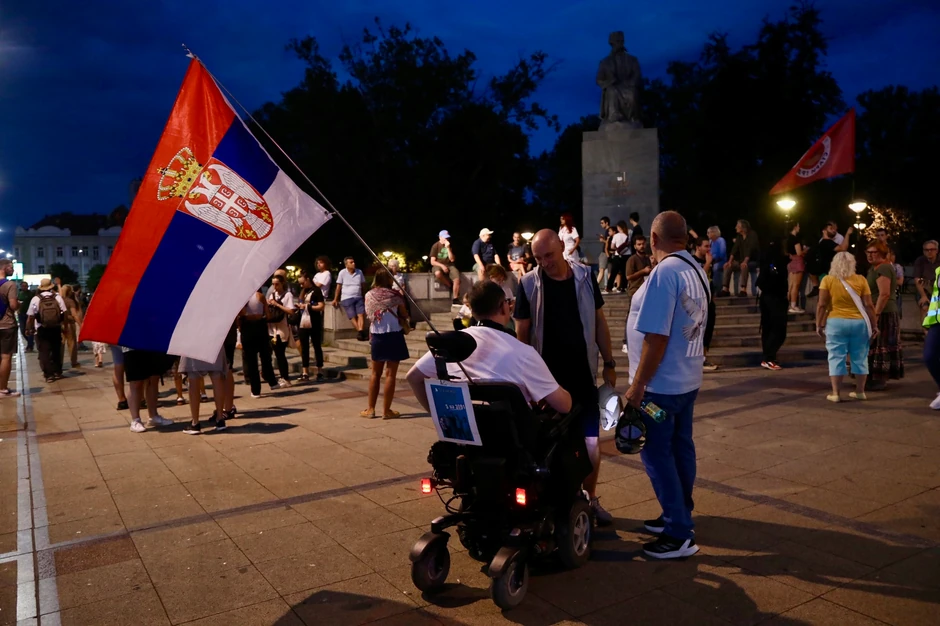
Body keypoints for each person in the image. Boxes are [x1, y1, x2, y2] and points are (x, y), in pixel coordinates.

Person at [514, 229, 616, 525]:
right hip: (546, 382)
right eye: (538, 257)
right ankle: (551, 505)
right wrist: (524, 379)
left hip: (583, 376)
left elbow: (599, 321)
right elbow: (523, 332)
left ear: (562, 247)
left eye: (549, 255)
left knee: (591, 444)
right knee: (548, 444)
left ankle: (590, 499)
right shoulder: (529, 283)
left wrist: (609, 361)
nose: (544, 262)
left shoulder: (584, 277)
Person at [623, 211, 708, 559]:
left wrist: (637, 385)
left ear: (654, 240)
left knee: (656, 453)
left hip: (659, 388)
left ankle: (678, 531)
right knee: (680, 447)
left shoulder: (665, 272)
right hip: (686, 380)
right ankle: (678, 510)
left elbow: (656, 337)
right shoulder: (696, 270)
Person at [407, 280, 572, 414]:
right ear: (502, 307)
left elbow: (413, 377)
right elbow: (564, 406)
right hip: (516, 444)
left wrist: (440, 416)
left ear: (473, 310)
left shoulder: (451, 346)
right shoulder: (523, 353)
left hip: (467, 442)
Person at [816, 251, 876, 402]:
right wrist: (874, 325)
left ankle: (835, 393)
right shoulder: (861, 279)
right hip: (858, 323)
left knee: (836, 356)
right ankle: (860, 391)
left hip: (835, 322)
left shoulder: (827, 280)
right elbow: (869, 305)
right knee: (860, 356)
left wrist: (818, 324)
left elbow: (822, 304)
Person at [361, 269, 410, 419]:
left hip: (377, 334)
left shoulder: (369, 295)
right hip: (394, 334)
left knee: (375, 373)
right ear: (389, 279)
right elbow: (404, 313)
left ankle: (370, 409)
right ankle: (386, 411)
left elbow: (369, 314)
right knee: (391, 374)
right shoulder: (395, 295)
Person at [865, 242, 904, 390]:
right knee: (875, 344)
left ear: (881, 253)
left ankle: (878, 378)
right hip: (877, 311)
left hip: (884, 312)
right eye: (868, 252)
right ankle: (873, 377)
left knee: (881, 344)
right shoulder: (874, 268)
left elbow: (884, 293)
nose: (870, 255)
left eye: (874, 252)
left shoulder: (884, 267)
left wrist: (876, 314)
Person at [180, 346, 231, 435]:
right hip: (213, 340)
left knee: (193, 377)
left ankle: (195, 422)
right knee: (217, 376)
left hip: (193, 341)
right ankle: (220, 419)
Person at [756, 241, 789, 371]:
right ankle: (768, 357)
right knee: (778, 329)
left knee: (768, 328)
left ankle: (769, 356)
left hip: (767, 298)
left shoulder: (767, 261)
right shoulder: (778, 262)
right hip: (775, 298)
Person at [240, 288, 280, 397]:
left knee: (251, 361)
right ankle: (272, 381)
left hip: (248, 327)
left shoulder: (243, 298)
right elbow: (268, 315)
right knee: (265, 356)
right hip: (260, 326)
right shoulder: (260, 296)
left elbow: (242, 313)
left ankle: (255, 390)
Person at [25, 279, 67, 383]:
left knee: (44, 352)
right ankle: (57, 371)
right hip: (56, 327)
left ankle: (49, 375)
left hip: (42, 329)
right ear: (51, 287)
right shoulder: (57, 297)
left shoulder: (35, 299)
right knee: (56, 349)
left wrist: (28, 328)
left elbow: (30, 316)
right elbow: (64, 313)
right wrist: (64, 326)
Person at [691, 238, 718, 371]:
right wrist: (707, 263)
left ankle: (703, 358)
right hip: (697, 303)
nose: (708, 249)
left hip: (709, 301)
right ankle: (696, 360)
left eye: (709, 246)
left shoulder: (709, 261)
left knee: (708, 332)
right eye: (706, 246)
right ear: (698, 247)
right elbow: (699, 277)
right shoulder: (692, 261)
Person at [622, 235, 652, 353]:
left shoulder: (647, 258)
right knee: (631, 316)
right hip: (635, 291)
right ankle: (625, 341)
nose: (641, 246)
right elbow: (628, 276)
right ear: (635, 246)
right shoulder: (632, 259)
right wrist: (642, 271)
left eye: (643, 244)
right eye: (639, 244)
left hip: (646, 291)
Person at [296, 271, 326, 382]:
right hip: (303, 322)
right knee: (304, 348)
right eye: (300, 283)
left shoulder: (316, 291)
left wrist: (308, 306)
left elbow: (321, 306)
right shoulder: (303, 291)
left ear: (308, 280)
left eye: (302, 283)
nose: (301, 285)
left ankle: (320, 371)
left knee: (317, 346)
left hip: (314, 321)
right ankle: (305, 372)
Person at [807, 224, 851, 295]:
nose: (833, 230)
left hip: (823, 274)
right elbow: (843, 248)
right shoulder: (827, 243)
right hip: (829, 274)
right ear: (824, 231)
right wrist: (848, 234)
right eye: (831, 228)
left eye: (834, 229)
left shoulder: (821, 243)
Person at [720, 220, 760, 297]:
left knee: (744, 266)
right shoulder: (739, 237)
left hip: (752, 260)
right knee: (728, 266)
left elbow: (750, 249)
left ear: (742, 227)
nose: (735, 228)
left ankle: (743, 289)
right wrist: (729, 262)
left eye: (737, 226)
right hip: (742, 260)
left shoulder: (752, 234)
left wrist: (745, 261)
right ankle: (725, 289)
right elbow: (734, 249)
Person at [268, 274, 295, 386]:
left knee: (280, 354)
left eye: (277, 284)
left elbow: (291, 311)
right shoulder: (272, 295)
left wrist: (277, 305)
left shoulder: (288, 295)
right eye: (273, 284)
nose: (275, 286)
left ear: (282, 283)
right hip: (271, 329)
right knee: (276, 353)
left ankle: (285, 377)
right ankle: (282, 376)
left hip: (282, 328)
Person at [332, 256, 367, 341]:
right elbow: (338, 286)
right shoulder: (342, 273)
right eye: (351, 262)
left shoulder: (359, 272)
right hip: (346, 297)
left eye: (353, 262)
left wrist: (364, 296)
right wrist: (336, 299)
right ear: (346, 265)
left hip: (358, 296)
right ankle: (361, 332)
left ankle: (360, 333)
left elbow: (363, 285)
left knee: (361, 314)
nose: (353, 263)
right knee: (352, 316)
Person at [0, 260, 19, 398]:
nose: (13, 270)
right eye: (11, 268)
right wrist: (19, 305)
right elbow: (13, 305)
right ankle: (3, 389)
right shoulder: (9, 284)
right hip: (6, 325)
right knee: (6, 357)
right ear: (5, 268)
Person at [429, 231, 461, 304]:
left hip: (450, 265)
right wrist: (442, 266)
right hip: (438, 264)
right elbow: (432, 262)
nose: (446, 239)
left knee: (457, 279)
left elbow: (452, 259)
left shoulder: (450, 245)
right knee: (438, 273)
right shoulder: (435, 246)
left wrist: (448, 248)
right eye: (445, 237)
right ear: (440, 237)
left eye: (447, 238)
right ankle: (449, 285)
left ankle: (455, 298)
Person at [914, 240, 940, 320]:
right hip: (924, 288)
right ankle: (926, 331)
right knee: (924, 307)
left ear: (937, 250)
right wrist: (923, 296)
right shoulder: (920, 261)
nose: (929, 252)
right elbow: (917, 279)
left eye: (932, 249)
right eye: (926, 250)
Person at [59, 285, 82, 369]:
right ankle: (74, 362)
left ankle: (59, 363)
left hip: (60, 324)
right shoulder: (70, 301)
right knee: (71, 343)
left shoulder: (59, 300)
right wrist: (81, 324)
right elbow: (74, 315)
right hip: (69, 324)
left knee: (61, 344)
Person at [786, 223, 807, 313]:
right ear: (794, 227)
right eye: (798, 226)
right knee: (796, 285)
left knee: (790, 285)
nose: (799, 228)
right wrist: (805, 250)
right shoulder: (795, 239)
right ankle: (793, 305)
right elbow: (799, 252)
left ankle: (788, 305)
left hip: (791, 261)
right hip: (798, 261)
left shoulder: (787, 239)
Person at [605, 221, 630, 293]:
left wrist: (617, 248)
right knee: (624, 271)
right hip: (626, 255)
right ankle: (623, 287)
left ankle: (609, 287)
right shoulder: (627, 236)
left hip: (617, 255)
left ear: (619, 227)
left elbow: (612, 246)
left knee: (614, 272)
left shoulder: (616, 236)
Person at [706, 226, 726, 295]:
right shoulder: (710, 241)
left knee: (716, 268)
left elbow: (722, 254)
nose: (707, 234)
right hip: (712, 261)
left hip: (720, 261)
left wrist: (713, 258)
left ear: (713, 233)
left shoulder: (721, 240)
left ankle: (718, 289)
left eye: (708, 233)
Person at [109, 345, 129, 410]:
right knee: (135, 364)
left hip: (114, 338)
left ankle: (122, 400)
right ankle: (140, 399)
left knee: (118, 365)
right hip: (128, 338)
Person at [17, 281, 34, 353]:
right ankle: (30, 342)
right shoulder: (19, 294)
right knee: (22, 329)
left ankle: (30, 346)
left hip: (29, 314)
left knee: (29, 329)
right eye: (23, 286)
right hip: (21, 314)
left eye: (25, 286)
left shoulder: (31, 294)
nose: (24, 287)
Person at [596, 217, 611, 287]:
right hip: (606, 252)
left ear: (606, 223)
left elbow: (610, 243)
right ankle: (609, 286)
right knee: (608, 270)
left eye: (602, 223)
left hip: (605, 252)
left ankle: (596, 285)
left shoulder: (608, 230)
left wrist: (603, 241)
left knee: (602, 269)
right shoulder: (607, 231)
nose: (601, 224)